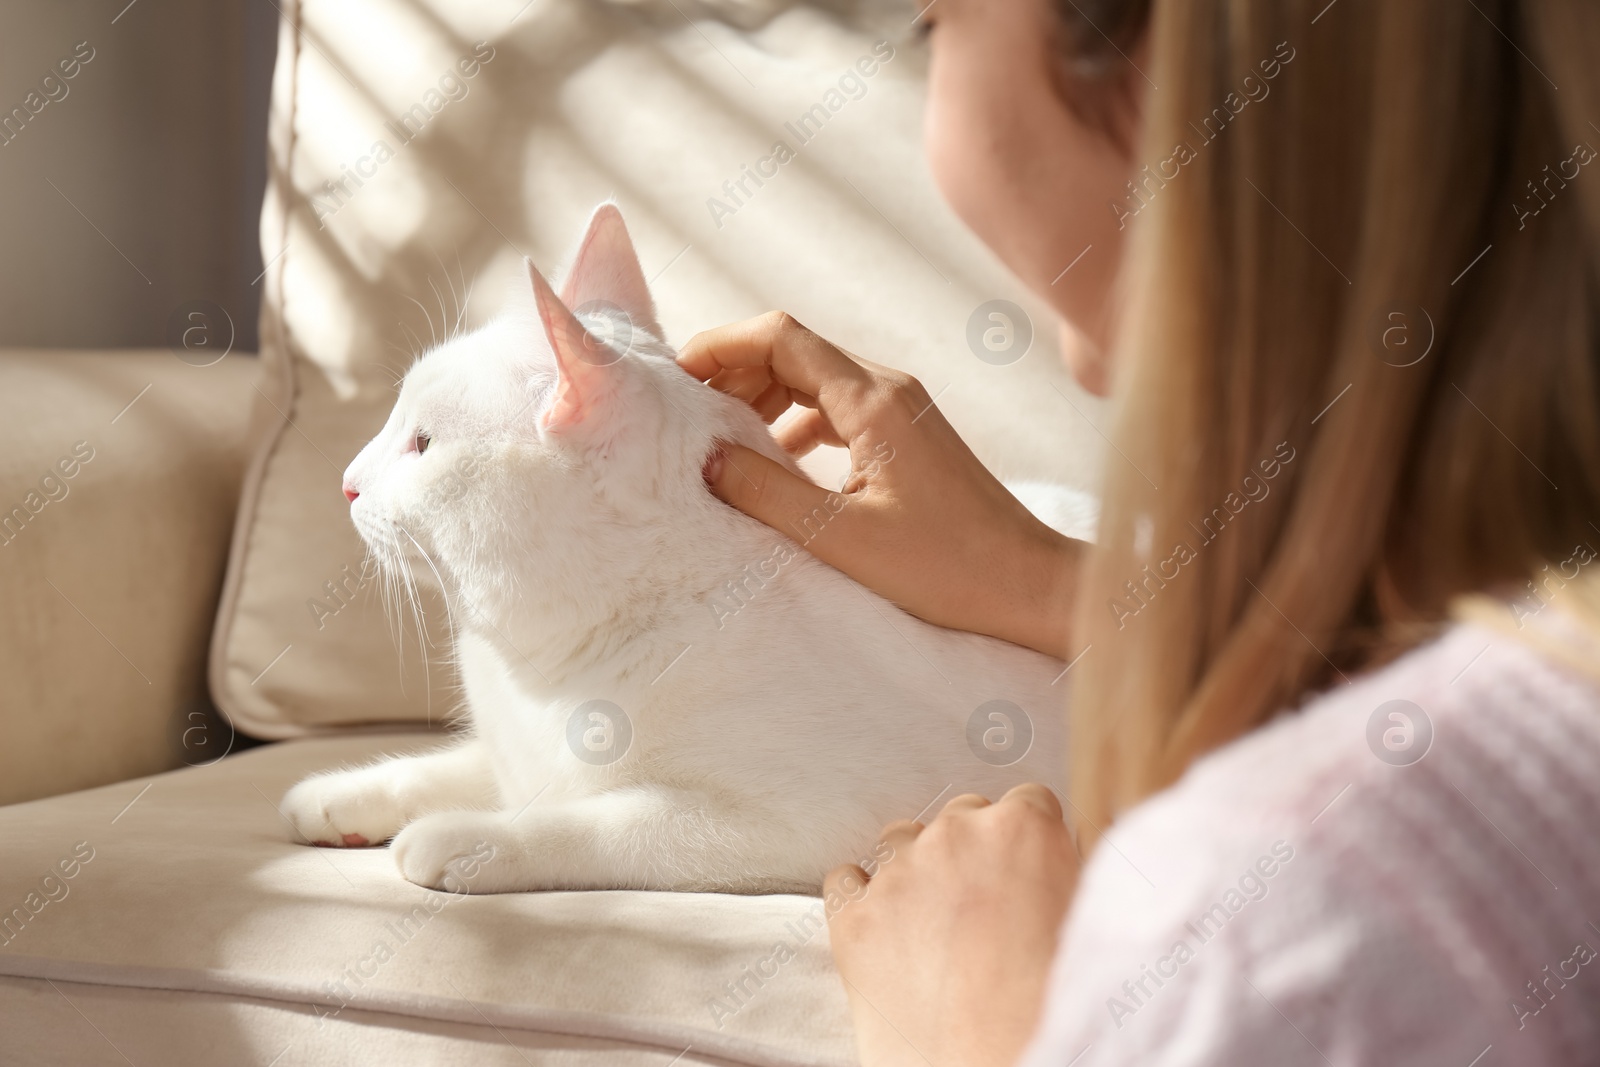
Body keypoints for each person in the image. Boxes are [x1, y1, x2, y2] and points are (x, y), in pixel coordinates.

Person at [678, 0, 1600, 1063]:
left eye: (937, 20)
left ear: (1167, 58)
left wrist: (982, 1031)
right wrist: (1041, 580)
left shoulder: (1278, 941)